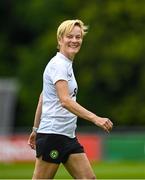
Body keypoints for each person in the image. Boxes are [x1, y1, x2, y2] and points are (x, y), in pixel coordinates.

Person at [28, 19, 113, 179]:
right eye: (70, 36)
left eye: (78, 37)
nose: (74, 40)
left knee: (89, 178)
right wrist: (95, 118)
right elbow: (65, 101)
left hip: (67, 135)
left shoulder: (66, 64)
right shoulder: (59, 65)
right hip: (53, 135)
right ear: (60, 39)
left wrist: (35, 129)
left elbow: (42, 97)